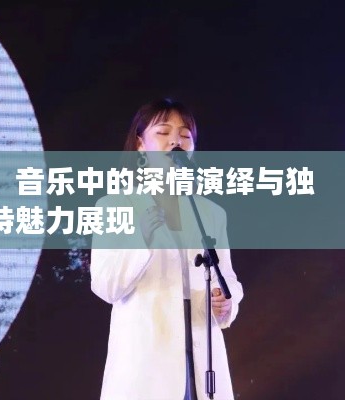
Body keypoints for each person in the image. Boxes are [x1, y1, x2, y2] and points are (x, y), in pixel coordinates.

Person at [90, 99, 243, 400]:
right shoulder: (116, 205)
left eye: (185, 135)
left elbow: (227, 278)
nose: (176, 141)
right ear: (140, 145)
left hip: (202, 358)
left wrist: (227, 303)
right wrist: (142, 241)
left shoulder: (211, 213)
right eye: (163, 132)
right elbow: (105, 285)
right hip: (146, 364)